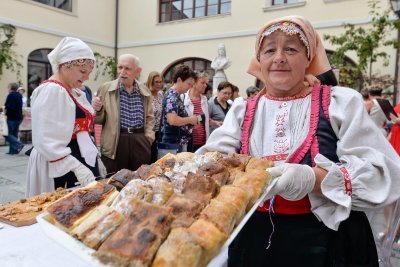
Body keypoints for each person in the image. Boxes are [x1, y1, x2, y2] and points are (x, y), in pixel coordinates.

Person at [197, 15, 400, 266]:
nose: (279, 57)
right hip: (254, 241)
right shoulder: (241, 111)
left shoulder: (339, 103)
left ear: (309, 58)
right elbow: (211, 163)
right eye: (270, 49)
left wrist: (313, 179)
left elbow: (382, 173)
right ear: (259, 60)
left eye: (291, 49)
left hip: (328, 241)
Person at [26, 37, 98, 196]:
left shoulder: (73, 91)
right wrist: (76, 167)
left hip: (73, 159)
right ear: (65, 66)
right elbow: (45, 140)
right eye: (82, 71)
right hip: (57, 163)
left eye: (89, 72)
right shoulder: (52, 90)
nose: (86, 77)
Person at [93, 54, 154, 173]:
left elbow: (150, 117)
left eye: (127, 68)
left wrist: (148, 139)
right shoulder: (106, 89)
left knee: (140, 181)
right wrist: (98, 110)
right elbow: (98, 121)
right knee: (114, 183)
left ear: (137, 71)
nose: (122, 72)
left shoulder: (144, 90)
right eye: (120, 67)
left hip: (140, 141)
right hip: (116, 143)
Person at [159, 65, 198, 154]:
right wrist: (190, 120)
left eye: (192, 85)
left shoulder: (176, 95)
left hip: (176, 143)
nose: (190, 87)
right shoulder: (171, 96)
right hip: (172, 145)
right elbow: (172, 120)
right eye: (188, 84)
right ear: (179, 80)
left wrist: (190, 123)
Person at [183, 71, 211, 152]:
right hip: (188, 142)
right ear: (194, 83)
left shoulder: (204, 99)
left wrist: (214, 122)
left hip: (202, 142)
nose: (205, 86)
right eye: (202, 83)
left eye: (206, 83)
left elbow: (205, 119)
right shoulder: (183, 98)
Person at [145, 71, 164, 163]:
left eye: (160, 82)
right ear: (151, 81)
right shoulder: (146, 95)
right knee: (148, 157)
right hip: (149, 131)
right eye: (156, 82)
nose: (159, 84)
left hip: (159, 131)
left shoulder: (161, 95)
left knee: (156, 158)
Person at [3, 82, 24, 155]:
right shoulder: (19, 95)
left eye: (8, 87)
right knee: (14, 134)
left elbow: (8, 106)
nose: (7, 89)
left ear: (11, 88)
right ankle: (13, 151)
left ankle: (18, 144)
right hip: (19, 117)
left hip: (12, 117)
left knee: (7, 134)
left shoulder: (11, 95)